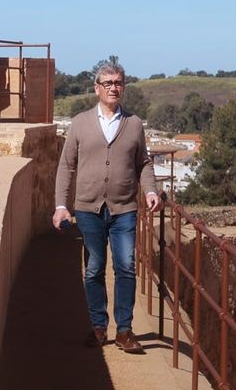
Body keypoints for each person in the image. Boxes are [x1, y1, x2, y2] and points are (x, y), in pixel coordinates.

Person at [52, 60, 160, 352]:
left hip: (124, 208)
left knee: (126, 266)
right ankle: (98, 327)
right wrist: (61, 206)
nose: (114, 88)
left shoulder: (134, 124)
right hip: (88, 208)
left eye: (119, 83)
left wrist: (150, 190)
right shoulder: (80, 122)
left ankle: (124, 331)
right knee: (94, 268)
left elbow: (144, 163)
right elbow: (66, 167)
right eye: (108, 83)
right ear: (97, 88)